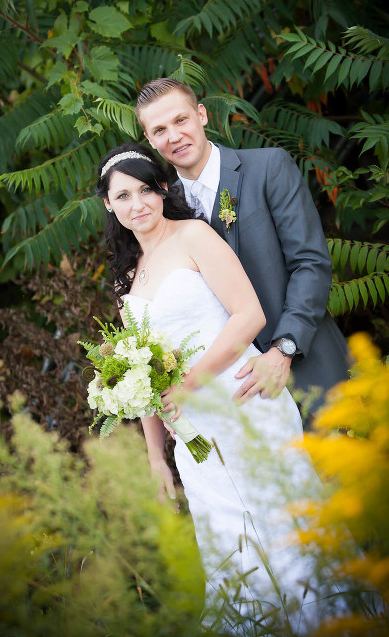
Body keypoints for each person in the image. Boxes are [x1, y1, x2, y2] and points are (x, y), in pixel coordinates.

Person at [95, 144, 349, 633]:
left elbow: (249, 315)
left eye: (146, 189)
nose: (138, 204)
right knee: (233, 549)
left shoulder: (194, 236)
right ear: (109, 204)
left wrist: (191, 382)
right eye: (123, 195)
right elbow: (139, 373)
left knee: (288, 530)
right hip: (193, 437)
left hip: (243, 398)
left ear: (163, 189)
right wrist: (154, 456)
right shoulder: (125, 276)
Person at [134, 78, 350, 413]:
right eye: (159, 130)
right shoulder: (165, 211)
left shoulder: (268, 168)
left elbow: (310, 263)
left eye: (180, 120)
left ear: (201, 115)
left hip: (309, 367)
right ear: (149, 139)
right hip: (232, 395)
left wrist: (284, 349)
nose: (174, 136)